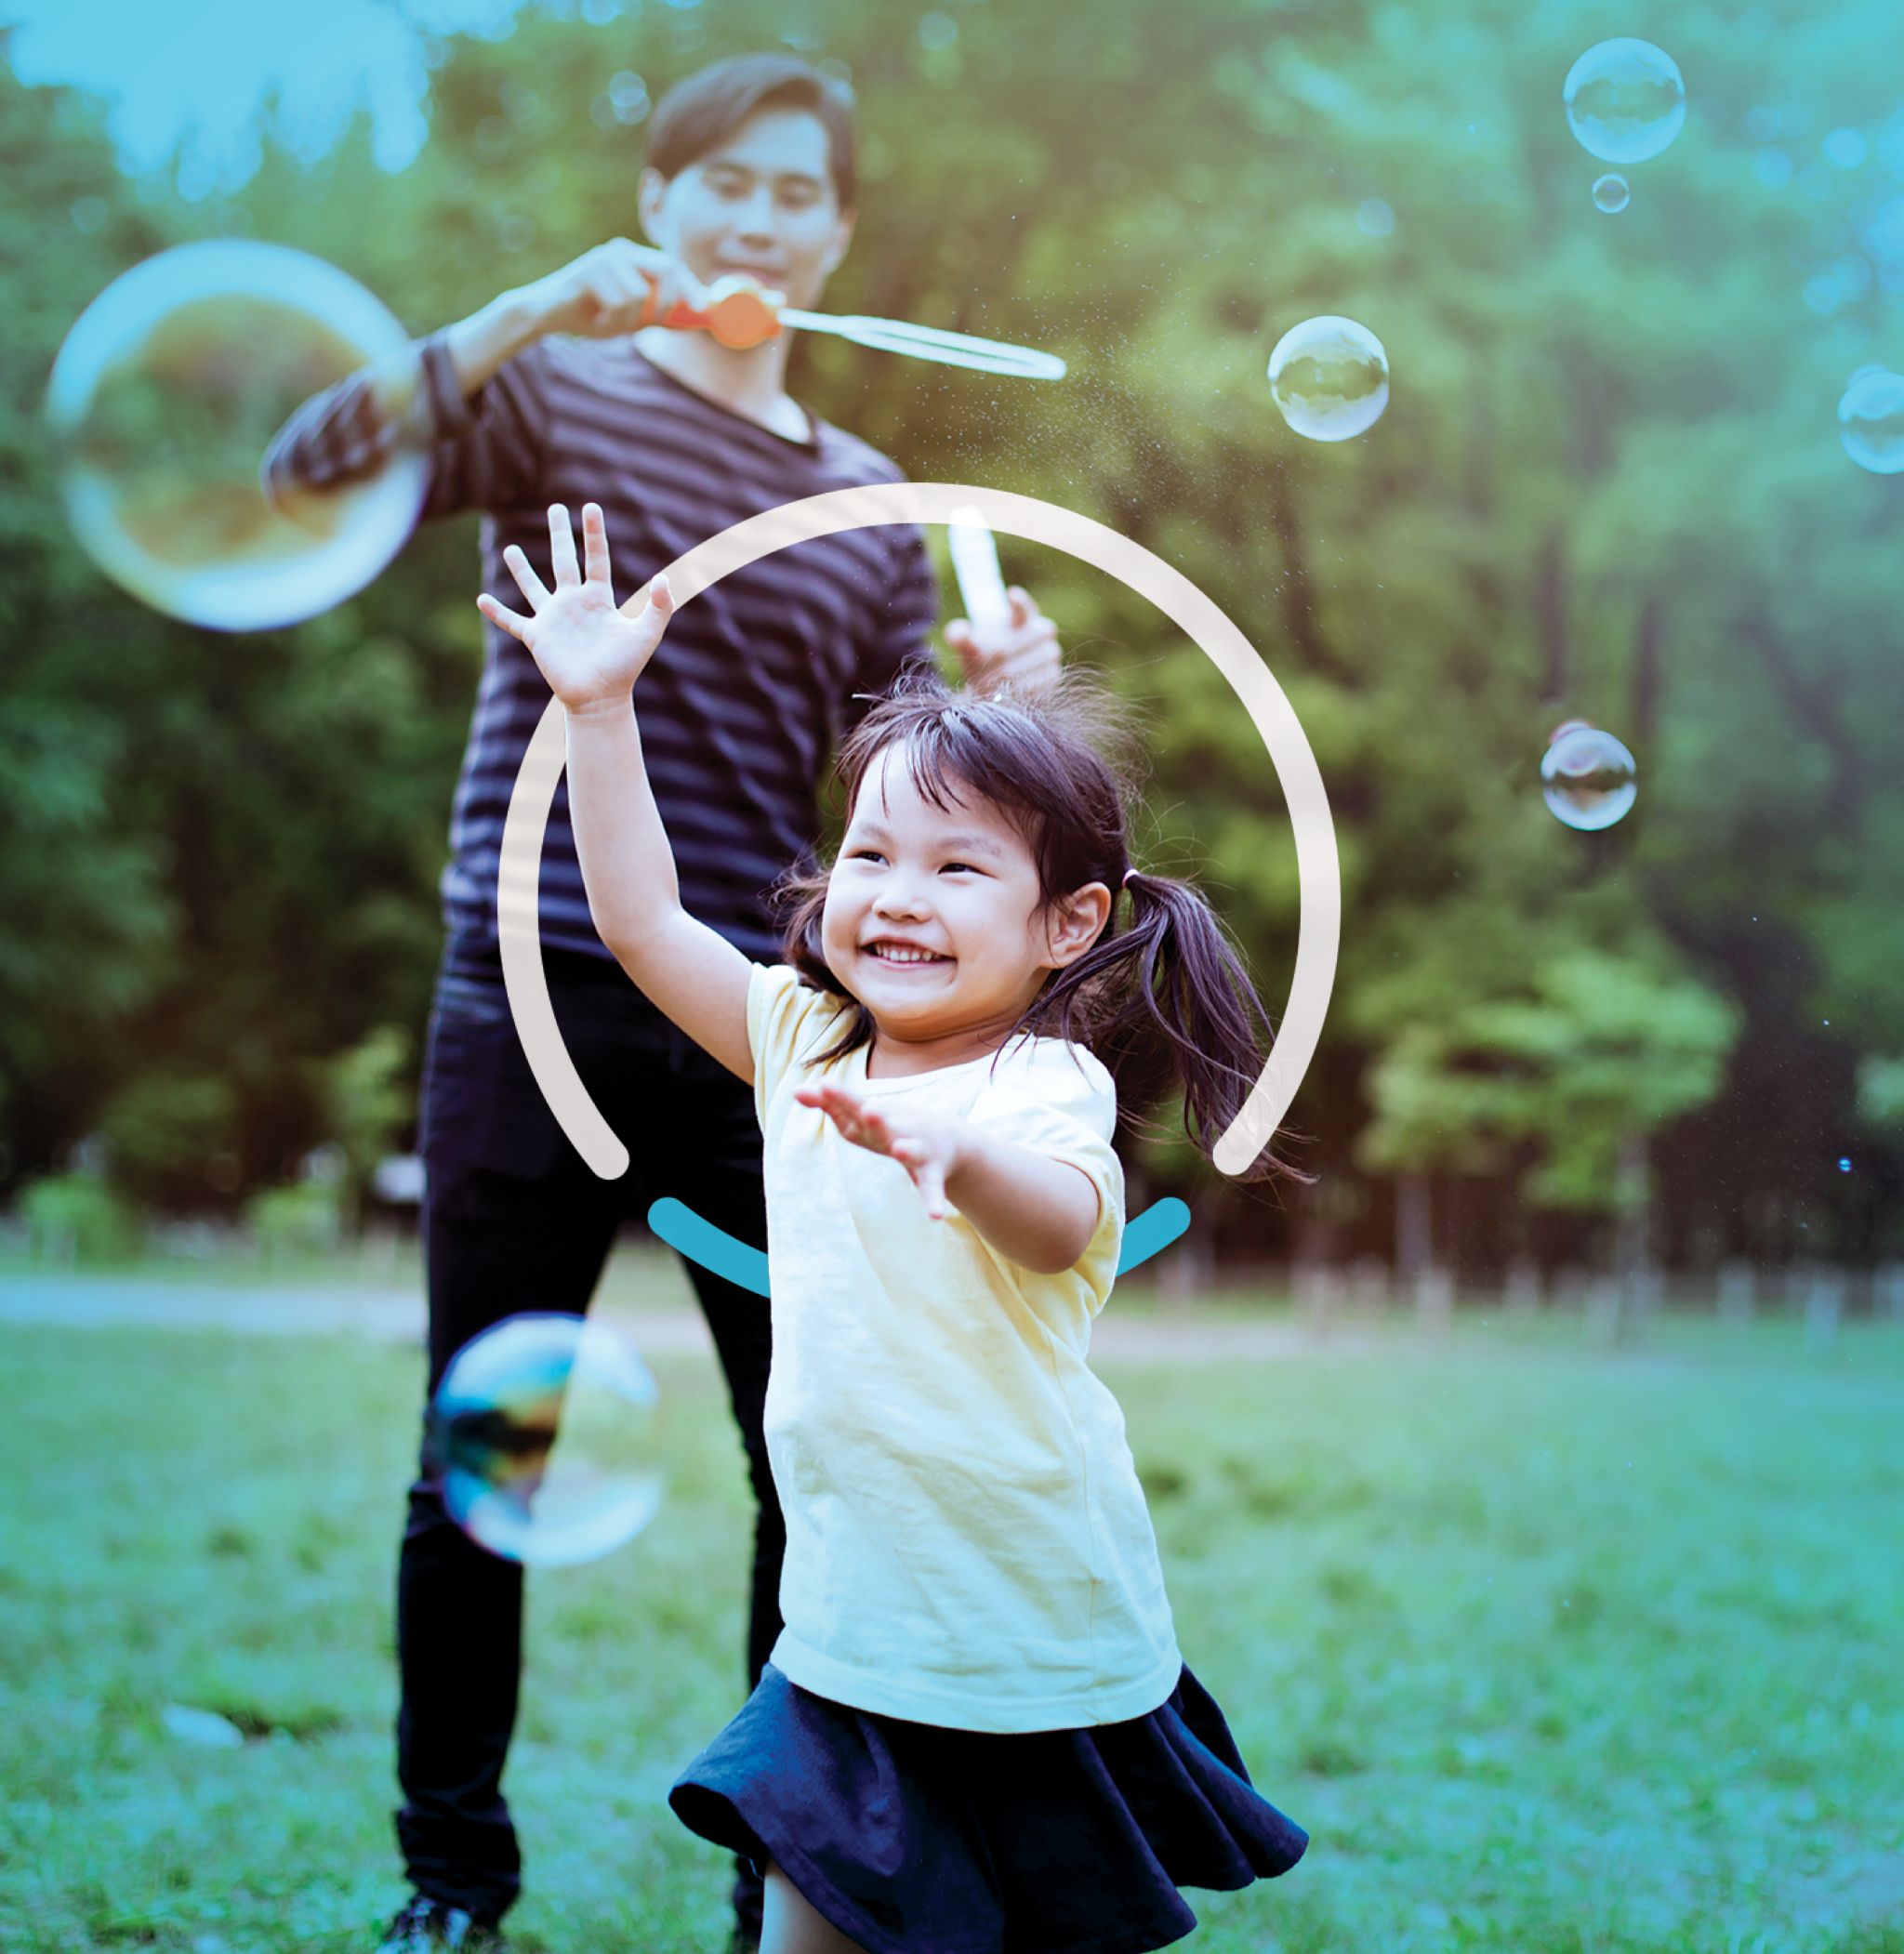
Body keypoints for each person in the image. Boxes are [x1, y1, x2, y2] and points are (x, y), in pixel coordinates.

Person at [264, 54, 1063, 1954]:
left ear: (836, 230)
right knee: (482, 1464)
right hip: (518, 989)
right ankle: (450, 1876)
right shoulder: (553, 396)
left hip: (747, 1032)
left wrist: (1000, 695)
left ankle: (786, 1882)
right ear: (660, 198)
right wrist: (535, 301)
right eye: (720, 182)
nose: (756, 218)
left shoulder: (866, 500)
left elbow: (902, 810)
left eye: (794, 192)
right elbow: (311, 463)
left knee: (821, 1457)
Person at [474, 500, 1313, 1954]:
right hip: (854, 1631)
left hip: (1030, 1635)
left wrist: (959, 1149)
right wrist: (600, 708)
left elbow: (1057, 1226)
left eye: (957, 867)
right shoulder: (803, 1035)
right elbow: (642, 924)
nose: (897, 897)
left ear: (1070, 922)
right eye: (871, 856)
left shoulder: (1042, 1082)